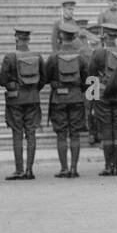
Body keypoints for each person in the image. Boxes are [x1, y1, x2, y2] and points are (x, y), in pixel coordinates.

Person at [44, 25, 89, 177]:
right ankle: (74, 168)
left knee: (61, 135)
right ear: (74, 38)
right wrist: (81, 91)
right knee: (75, 134)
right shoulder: (81, 57)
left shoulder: (54, 57)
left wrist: (56, 84)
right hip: (76, 98)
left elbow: (45, 77)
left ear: (61, 37)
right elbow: (89, 80)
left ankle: (64, 169)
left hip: (58, 99)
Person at [0, 28, 44, 180]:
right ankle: (29, 170)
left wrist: (13, 85)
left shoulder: (10, 57)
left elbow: (2, 80)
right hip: (32, 98)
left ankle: (19, 170)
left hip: (15, 100)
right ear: (28, 40)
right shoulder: (37, 56)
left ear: (16, 39)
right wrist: (33, 89)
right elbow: (43, 79)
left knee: (17, 134)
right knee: (31, 134)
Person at [88, 23, 117, 176]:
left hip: (102, 95)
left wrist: (91, 101)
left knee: (106, 129)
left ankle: (108, 166)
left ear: (104, 36)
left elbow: (91, 77)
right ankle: (116, 165)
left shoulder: (99, 53)